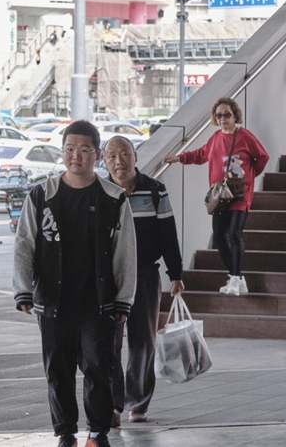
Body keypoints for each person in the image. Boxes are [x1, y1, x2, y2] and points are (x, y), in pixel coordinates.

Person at [13, 120, 137, 447]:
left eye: (83, 150)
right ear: (62, 151)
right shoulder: (42, 196)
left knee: (99, 367)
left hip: (98, 302)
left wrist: (124, 299)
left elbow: (125, 253)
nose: (75, 156)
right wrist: (23, 289)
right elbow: (24, 243)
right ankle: (65, 433)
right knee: (58, 371)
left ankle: (97, 432)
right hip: (54, 301)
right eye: (69, 149)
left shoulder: (113, 198)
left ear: (97, 154)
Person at [101, 137, 184, 426]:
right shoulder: (99, 192)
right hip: (108, 277)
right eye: (112, 156)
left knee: (143, 341)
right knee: (108, 342)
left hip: (145, 273)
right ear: (104, 160)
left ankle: (137, 401)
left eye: (124, 154)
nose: (118, 161)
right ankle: (112, 405)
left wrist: (176, 274)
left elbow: (168, 233)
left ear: (135, 156)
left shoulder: (155, 190)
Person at [164, 98, 269, 297]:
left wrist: (249, 177)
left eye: (227, 114)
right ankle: (236, 277)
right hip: (220, 195)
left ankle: (236, 279)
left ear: (235, 115)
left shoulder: (245, 136)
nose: (222, 118)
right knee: (220, 237)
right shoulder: (215, 138)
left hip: (239, 194)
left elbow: (262, 157)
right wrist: (179, 158)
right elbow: (201, 154)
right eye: (219, 115)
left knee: (235, 233)